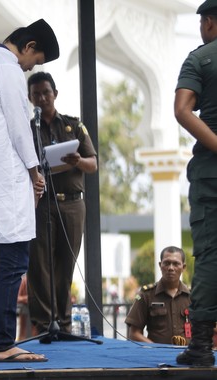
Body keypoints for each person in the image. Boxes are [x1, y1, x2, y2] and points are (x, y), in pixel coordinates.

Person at [0, 19, 59, 362]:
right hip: (6, 181)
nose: (32, 66)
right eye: (37, 59)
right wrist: (35, 172)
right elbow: (20, 128)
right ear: (29, 46)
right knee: (13, 262)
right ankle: (2, 342)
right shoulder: (7, 71)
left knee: (2, 263)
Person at [26, 72, 97, 335]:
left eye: (46, 92)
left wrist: (76, 161)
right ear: (29, 98)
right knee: (40, 266)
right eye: (36, 94)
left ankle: (64, 324)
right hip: (41, 203)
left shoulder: (73, 126)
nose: (42, 98)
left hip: (72, 205)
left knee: (66, 265)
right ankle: (45, 325)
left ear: (55, 93)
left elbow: (93, 164)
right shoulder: (27, 129)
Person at [173, 0, 217, 367]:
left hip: (212, 174)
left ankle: (201, 347)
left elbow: (183, 109)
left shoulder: (201, 59)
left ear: (210, 23)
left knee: (211, 255)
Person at [124, 246, 191, 345]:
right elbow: (134, 334)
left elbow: (205, 330)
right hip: (156, 357)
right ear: (160, 265)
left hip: (187, 356)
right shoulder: (146, 295)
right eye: (167, 263)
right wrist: (156, 349)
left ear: (183, 267)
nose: (171, 268)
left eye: (176, 264)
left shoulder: (193, 296)